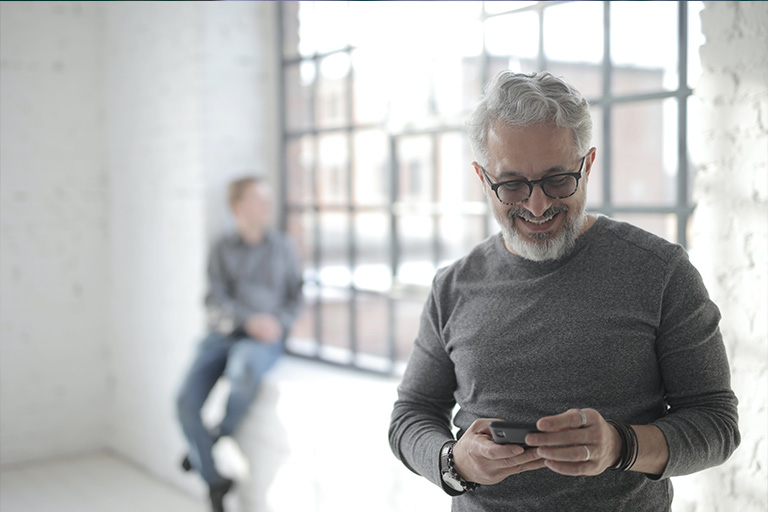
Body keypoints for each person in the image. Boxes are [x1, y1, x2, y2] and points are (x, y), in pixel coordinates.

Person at [388, 71, 740, 511]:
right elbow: (410, 416)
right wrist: (454, 462)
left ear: (587, 164)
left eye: (558, 180)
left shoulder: (660, 272)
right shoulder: (453, 285)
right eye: (512, 184)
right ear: (482, 178)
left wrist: (619, 446)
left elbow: (716, 424)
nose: (537, 206)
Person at [176, 176, 303, 512]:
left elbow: (296, 297)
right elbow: (214, 301)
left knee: (243, 368)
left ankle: (214, 437)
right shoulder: (221, 248)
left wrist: (277, 323)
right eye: (259, 200)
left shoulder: (283, 247)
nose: (267, 206)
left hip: (263, 341)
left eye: (268, 199)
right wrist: (248, 321)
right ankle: (213, 479)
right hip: (222, 335)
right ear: (238, 207)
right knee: (184, 401)